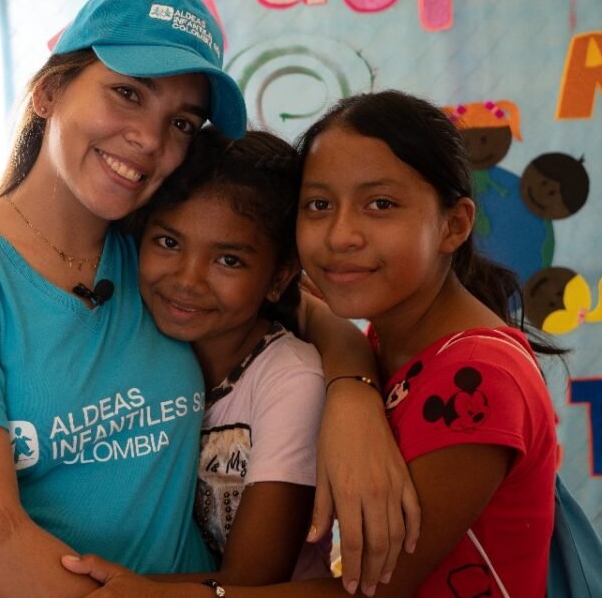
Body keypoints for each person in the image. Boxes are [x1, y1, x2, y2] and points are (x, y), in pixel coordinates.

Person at [0, 0, 416, 598]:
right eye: (128, 93)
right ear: (50, 91)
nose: (152, 139)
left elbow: (303, 311)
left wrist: (353, 397)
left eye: (182, 122)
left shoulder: (153, 254)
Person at [63, 90, 559, 597]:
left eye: (380, 205)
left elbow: (373, 592)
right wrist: (353, 387)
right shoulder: (393, 337)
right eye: (319, 205)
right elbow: (304, 303)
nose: (341, 235)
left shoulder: (477, 376)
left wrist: (156, 594)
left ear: (453, 224)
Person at [133, 127, 332, 583]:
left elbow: (252, 578)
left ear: (280, 277)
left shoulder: (291, 380)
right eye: (168, 242)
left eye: (228, 260)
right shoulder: (133, 338)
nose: (187, 280)